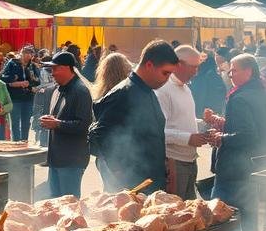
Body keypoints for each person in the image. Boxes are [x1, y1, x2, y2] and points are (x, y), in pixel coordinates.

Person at [205, 54, 266, 231]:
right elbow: (254, 128)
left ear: (248, 72)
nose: (230, 74)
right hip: (254, 167)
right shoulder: (261, 93)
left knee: (217, 218)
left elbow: (247, 135)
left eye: (234, 70)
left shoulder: (239, 98)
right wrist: (220, 122)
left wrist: (221, 138)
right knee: (250, 219)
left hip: (233, 170)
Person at [88, 40, 177, 194]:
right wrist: (121, 173)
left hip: (152, 183)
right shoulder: (123, 93)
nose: (167, 79)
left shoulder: (148, 91)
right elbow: (99, 133)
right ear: (149, 65)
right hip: (133, 187)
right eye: (165, 73)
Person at [155, 45, 211, 199]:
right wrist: (188, 138)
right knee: (176, 210)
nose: (196, 72)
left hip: (190, 160)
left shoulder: (185, 88)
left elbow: (183, 120)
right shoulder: (163, 90)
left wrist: (204, 123)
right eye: (193, 67)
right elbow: (158, 131)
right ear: (179, 64)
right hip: (174, 162)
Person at [39, 51, 93, 198]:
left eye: (55, 68)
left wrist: (57, 124)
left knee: (69, 205)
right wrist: (52, 120)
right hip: (57, 159)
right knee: (56, 204)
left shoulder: (80, 91)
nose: (52, 73)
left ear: (67, 68)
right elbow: (61, 117)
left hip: (71, 160)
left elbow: (83, 125)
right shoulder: (58, 89)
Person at [0, 46, 39, 142]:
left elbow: (37, 81)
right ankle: (16, 143)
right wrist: (13, 80)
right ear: (20, 53)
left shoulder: (32, 66)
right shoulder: (12, 63)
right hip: (15, 98)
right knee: (15, 123)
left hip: (28, 98)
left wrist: (30, 84)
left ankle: (24, 142)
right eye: (25, 53)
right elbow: (2, 77)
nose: (28, 55)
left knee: (26, 123)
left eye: (30, 53)